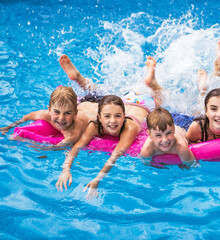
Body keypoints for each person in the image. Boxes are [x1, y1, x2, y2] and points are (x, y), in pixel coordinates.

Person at [55, 55, 163, 199]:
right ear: (99, 117)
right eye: (107, 117)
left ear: (124, 116)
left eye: (118, 117)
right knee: (100, 96)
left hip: (146, 103)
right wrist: (65, 170)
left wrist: (97, 179)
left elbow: (115, 155)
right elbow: (76, 148)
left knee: (160, 97)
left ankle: (151, 79)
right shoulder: (95, 125)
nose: (112, 122)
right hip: (125, 100)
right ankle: (79, 78)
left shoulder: (129, 128)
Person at [0, 86, 97, 146]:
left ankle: (78, 77)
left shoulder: (73, 134)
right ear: (49, 110)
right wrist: (7, 128)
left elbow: (55, 148)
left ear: (75, 114)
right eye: (57, 112)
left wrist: (24, 140)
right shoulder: (44, 114)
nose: (61, 118)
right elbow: (25, 118)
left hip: (96, 108)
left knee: (95, 91)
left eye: (67, 113)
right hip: (84, 103)